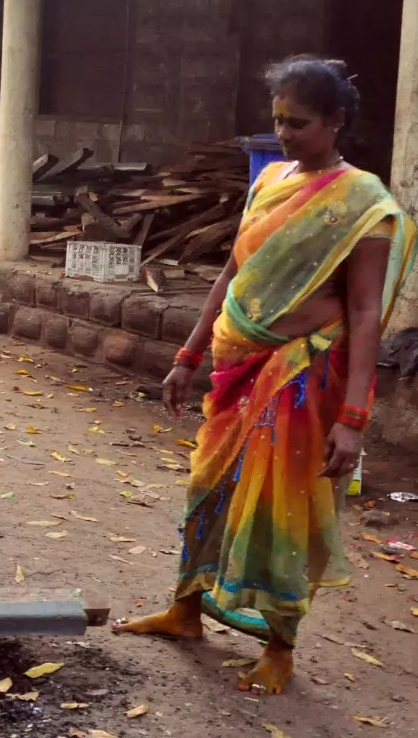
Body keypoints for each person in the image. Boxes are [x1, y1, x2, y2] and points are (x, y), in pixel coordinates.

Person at [113, 56, 415, 695]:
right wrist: (188, 355)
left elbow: (364, 313)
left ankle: (280, 645)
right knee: (208, 486)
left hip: (301, 377)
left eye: (298, 123)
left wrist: (355, 419)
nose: (284, 135)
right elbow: (231, 274)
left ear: (336, 122)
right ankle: (187, 610)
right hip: (236, 366)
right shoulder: (270, 180)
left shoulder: (364, 205)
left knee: (283, 510)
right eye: (277, 121)